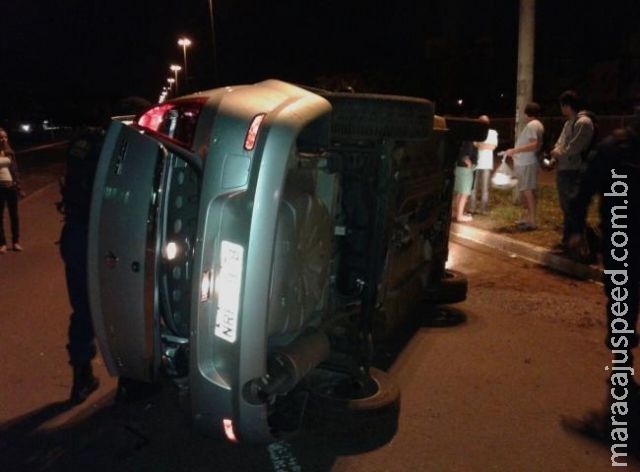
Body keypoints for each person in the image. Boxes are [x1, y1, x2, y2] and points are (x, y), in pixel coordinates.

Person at [58, 97, 156, 405]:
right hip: (111, 238)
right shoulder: (130, 150)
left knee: (84, 310)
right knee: (126, 307)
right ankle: (132, 382)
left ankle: (81, 376)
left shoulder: (83, 144)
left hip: (75, 233)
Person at [563, 107, 640, 456]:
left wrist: (577, 231)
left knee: (621, 331)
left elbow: (582, 194)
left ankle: (616, 417)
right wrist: (576, 230)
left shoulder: (614, 147)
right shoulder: (613, 148)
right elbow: (583, 194)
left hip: (623, 250)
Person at [549, 90, 595, 251]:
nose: (561, 109)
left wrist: (558, 153)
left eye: (562, 106)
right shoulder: (569, 123)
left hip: (575, 170)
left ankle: (583, 241)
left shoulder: (584, 123)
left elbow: (574, 147)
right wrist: (556, 154)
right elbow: (560, 143)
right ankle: (569, 240)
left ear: (567, 106)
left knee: (573, 207)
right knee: (566, 207)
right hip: (564, 169)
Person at [503, 102, 544, 231]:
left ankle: (531, 220)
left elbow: (534, 144)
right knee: (527, 191)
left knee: (528, 191)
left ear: (527, 114)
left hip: (526, 163)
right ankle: (528, 218)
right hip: (527, 162)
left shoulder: (532, 125)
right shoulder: (539, 125)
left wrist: (515, 151)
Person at [0, 128, 24, 253]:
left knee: (14, 215)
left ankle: (16, 242)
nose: (3, 139)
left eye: (5, 137)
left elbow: (15, 170)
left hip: (10, 186)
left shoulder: (9, 152)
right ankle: (2, 243)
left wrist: (18, 186)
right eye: (1, 137)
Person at [470, 115, 498, 214]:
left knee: (485, 188)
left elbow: (492, 146)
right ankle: (472, 208)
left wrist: (480, 145)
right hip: (475, 163)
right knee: (473, 188)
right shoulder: (475, 132)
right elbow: (474, 145)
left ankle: (484, 209)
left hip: (486, 164)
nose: (483, 123)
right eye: (481, 121)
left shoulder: (492, 132)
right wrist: (484, 146)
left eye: (484, 121)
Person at [452, 140, 476, 222]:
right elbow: (465, 156)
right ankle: (460, 216)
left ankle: (457, 213)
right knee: (464, 194)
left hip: (459, 167)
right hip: (465, 169)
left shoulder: (462, 140)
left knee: (460, 192)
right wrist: (469, 165)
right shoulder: (468, 141)